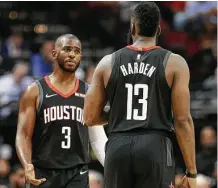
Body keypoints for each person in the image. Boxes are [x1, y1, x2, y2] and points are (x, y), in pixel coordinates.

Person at [84, 2, 197, 188]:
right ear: (159, 29)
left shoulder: (107, 62)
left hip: (117, 146)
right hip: (155, 145)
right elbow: (182, 120)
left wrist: (119, 113)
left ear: (132, 27)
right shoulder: (175, 63)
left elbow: (89, 117)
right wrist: (191, 171)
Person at [16, 34, 107, 188]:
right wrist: (27, 165)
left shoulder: (89, 93)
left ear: (81, 57)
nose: (72, 54)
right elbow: (23, 134)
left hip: (77, 173)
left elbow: (97, 137)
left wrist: (111, 166)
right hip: (43, 172)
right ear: (54, 54)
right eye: (67, 49)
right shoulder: (35, 91)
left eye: (77, 51)